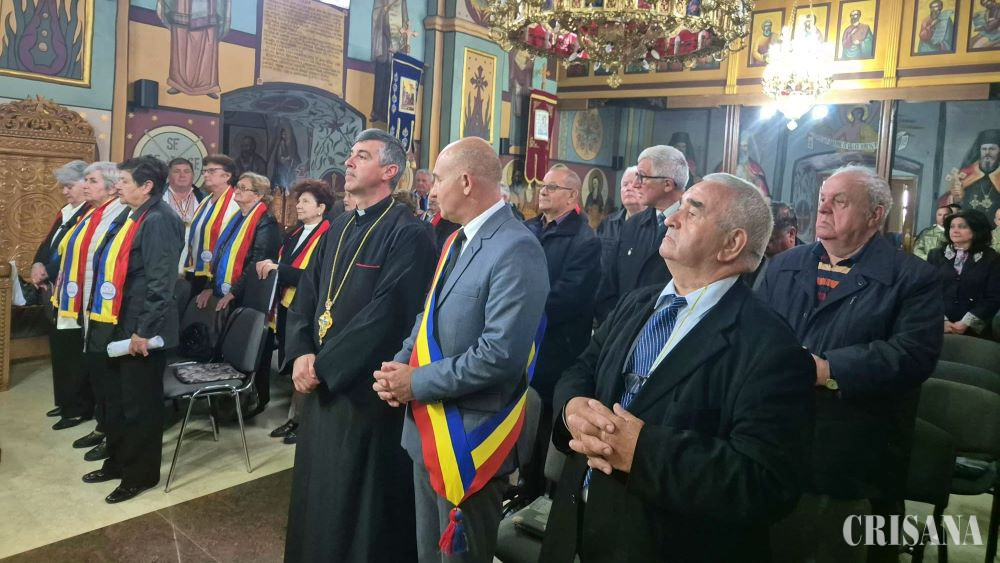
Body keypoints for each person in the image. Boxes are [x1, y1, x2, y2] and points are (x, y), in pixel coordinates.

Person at [540, 174, 815, 562]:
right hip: (574, 528)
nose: (671, 219)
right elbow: (582, 369)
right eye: (678, 207)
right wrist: (573, 409)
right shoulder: (637, 303)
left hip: (661, 545)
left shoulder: (770, 347)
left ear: (732, 243)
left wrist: (642, 451)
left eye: (693, 211)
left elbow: (765, 483)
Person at [374, 136, 549, 562]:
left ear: (466, 182)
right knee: (428, 553)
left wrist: (416, 382)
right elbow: (428, 317)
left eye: (438, 179)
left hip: (470, 439)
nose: (432, 190)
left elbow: (499, 355)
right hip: (427, 428)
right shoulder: (457, 239)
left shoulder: (517, 247)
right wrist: (398, 368)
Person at [758, 165, 943, 563]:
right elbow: (753, 332)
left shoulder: (913, 277)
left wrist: (828, 369)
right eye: (823, 199)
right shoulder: (784, 265)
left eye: (839, 201)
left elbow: (913, 355)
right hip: (778, 435)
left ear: (876, 215)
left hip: (858, 447)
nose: (823, 209)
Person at [282, 129, 435, 563]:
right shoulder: (338, 226)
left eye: (361, 156)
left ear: (389, 171)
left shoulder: (410, 234)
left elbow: (387, 315)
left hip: (364, 390)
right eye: (350, 154)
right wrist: (301, 351)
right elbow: (308, 293)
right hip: (321, 381)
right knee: (318, 492)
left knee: (356, 504)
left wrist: (323, 366)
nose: (348, 162)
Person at [80, 156, 183, 503]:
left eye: (124, 181)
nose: (118, 186)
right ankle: (117, 462)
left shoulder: (159, 219)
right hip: (118, 322)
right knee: (117, 401)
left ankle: (139, 475)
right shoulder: (134, 214)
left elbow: (160, 282)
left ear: (147, 186)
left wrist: (144, 330)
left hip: (141, 330)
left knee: (139, 406)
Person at [521, 163, 601, 497]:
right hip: (522, 341)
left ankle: (543, 493)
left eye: (552, 187)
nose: (543, 191)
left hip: (557, 346)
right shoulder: (528, 228)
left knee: (546, 423)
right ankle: (523, 483)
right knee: (522, 419)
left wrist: (518, 307)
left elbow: (570, 295)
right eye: (543, 185)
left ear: (572, 195)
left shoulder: (585, 240)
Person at [49, 162, 129, 440]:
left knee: (104, 368)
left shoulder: (120, 214)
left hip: (105, 303)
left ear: (112, 186)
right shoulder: (91, 213)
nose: (84, 186)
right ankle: (100, 421)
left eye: (92, 181)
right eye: (85, 180)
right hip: (84, 298)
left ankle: (107, 428)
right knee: (94, 365)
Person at [258, 180, 335, 445]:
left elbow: (313, 278)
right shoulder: (295, 233)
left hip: (308, 309)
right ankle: (295, 418)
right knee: (294, 363)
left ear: (321, 208)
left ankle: (303, 422)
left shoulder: (327, 235)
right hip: (287, 304)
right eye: (298, 200)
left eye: (305, 201)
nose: (298, 206)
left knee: (306, 365)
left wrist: (278, 269)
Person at [211, 172, 280, 411]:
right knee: (231, 346)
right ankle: (228, 397)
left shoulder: (266, 222)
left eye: (243, 188)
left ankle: (254, 399)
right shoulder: (238, 217)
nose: (237, 191)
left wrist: (233, 292)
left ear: (258, 195)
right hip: (234, 292)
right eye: (237, 187)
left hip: (251, 296)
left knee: (250, 347)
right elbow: (222, 254)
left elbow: (256, 262)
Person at [596, 145, 689, 323]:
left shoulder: (693, 228)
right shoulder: (632, 225)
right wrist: (612, 325)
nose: (636, 184)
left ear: (667, 184)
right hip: (621, 326)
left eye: (642, 177)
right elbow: (609, 285)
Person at [33, 160, 91, 420]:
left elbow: (73, 253)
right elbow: (48, 244)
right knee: (59, 348)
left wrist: (48, 271)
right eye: (63, 187)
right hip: (56, 291)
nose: (65, 191)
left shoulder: (89, 213)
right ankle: (65, 401)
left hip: (74, 291)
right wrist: (37, 263)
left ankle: (78, 407)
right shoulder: (66, 211)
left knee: (72, 349)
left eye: (69, 186)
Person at [927, 209, 1000, 338]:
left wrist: (966, 322)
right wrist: (942, 320)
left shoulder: (992, 258)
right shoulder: (935, 255)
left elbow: (994, 297)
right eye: (952, 227)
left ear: (976, 229)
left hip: (976, 330)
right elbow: (928, 292)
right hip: (938, 324)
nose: (955, 231)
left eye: (962, 227)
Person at [188, 155, 240, 303]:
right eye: (204, 171)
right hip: (197, 270)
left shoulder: (235, 203)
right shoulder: (206, 200)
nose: (205, 175)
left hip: (218, 276)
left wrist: (211, 285)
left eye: (211, 171)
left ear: (227, 176)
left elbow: (231, 247)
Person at [746, 201, 800, 289]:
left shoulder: (807, 266)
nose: (764, 246)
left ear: (791, 234)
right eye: (761, 240)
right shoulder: (753, 259)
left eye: (770, 240)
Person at [950, 129, 1000, 218]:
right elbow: (951, 205)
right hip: (969, 223)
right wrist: (957, 199)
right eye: (984, 149)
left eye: (992, 149)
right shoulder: (966, 175)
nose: (987, 153)